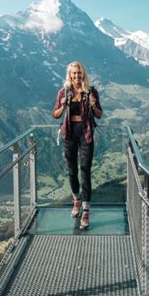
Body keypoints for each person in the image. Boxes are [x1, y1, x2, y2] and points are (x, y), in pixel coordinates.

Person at [52, 61, 102, 230]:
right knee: (72, 171)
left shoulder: (91, 91)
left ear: (83, 74)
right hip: (69, 133)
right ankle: (76, 200)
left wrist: (94, 105)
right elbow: (55, 114)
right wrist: (64, 104)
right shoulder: (64, 92)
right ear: (70, 75)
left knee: (85, 171)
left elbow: (99, 115)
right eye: (74, 73)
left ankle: (86, 210)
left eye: (79, 73)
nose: (77, 76)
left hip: (86, 133)